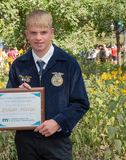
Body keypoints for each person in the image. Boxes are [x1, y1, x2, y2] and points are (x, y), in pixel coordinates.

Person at [5, 10, 90, 159]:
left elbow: (81, 103)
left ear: (51, 32)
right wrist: (17, 94)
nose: (38, 38)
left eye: (43, 32)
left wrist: (58, 122)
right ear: (26, 34)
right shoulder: (19, 65)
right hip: (26, 142)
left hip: (57, 141)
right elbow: (7, 104)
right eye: (33, 33)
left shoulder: (68, 63)